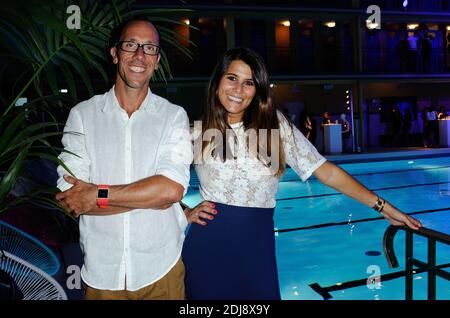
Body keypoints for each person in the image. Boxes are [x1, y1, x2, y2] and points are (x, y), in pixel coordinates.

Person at [181, 47, 422, 300]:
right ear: (218, 81)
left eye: (248, 83)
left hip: (257, 248)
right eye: (232, 78)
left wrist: (384, 207)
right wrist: (184, 211)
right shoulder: (196, 132)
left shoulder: (274, 126)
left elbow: (325, 171)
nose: (238, 90)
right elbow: (152, 175)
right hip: (207, 248)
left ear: (258, 89)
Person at [55, 18, 193, 300]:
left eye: (149, 48)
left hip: (161, 271)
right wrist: (148, 198)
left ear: (156, 60)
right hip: (103, 274)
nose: (140, 55)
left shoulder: (173, 116)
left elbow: (170, 190)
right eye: (131, 45)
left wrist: (97, 194)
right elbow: (72, 198)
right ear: (115, 53)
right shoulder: (82, 115)